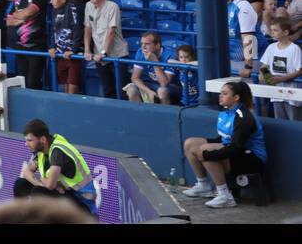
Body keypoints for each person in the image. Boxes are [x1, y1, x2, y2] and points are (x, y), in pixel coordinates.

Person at [182, 80, 268, 209]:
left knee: (206, 150)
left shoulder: (244, 117)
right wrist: (206, 151)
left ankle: (225, 196)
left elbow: (236, 148)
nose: (220, 96)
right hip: (235, 152)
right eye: (220, 93)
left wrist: (207, 154)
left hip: (252, 158)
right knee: (190, 143)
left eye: (225, 93)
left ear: (236, 97)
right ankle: (204, 185)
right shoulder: (226, 112)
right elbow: (223, 139)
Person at [13, 119, 97, 217]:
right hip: (65, 193)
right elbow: (26, 172)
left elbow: (50, 185)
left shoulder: (57, 152)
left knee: (39, 192)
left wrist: (44, 182)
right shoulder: (42, 150)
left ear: (43, 139)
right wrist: (41, 182)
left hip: (82, 204)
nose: (26, 144)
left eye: (30, 140)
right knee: (21, 184)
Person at [83, 0, 129, 98]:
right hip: (99, 54)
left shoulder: (113, 6)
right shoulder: (88, 5)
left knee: (123, 90)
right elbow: (87, 28)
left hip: (117, 54)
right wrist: (87, 50)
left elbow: (111, 31)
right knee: (107, 89)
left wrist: (104, 52)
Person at [257, 17, 302, 120]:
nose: (272, 33)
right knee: (280, 120)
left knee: (294, 122)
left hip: (292, 93)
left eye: (275, 30)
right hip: (276, 93)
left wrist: (280, 79)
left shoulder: (294, 49)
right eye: (271, 30)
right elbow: (264, 66)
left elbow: (299, 71)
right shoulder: (271, 47)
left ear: (285, 32)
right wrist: (265, 76)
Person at [46, 0, 84, 95]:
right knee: (63, 89)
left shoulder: (72, 9)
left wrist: (73, 49)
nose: (51, 2)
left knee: (72, 89)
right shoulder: (54, 11)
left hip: (72, 55)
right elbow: (53, 31)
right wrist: (52, 47)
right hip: (59, 54)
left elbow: (77, 30)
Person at [123, 31, 178, 104]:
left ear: (158, 45)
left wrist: (155, 62)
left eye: (147, 44)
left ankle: (165, 115)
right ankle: (140, 114)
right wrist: (148, 91)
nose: (143, 47)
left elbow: (164, 84)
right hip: (149, 84)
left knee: (162, 91)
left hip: (171, 87)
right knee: (131, 90)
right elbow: (135, 78)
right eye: (142, 43)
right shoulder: (141, 52)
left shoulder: (170, 55)